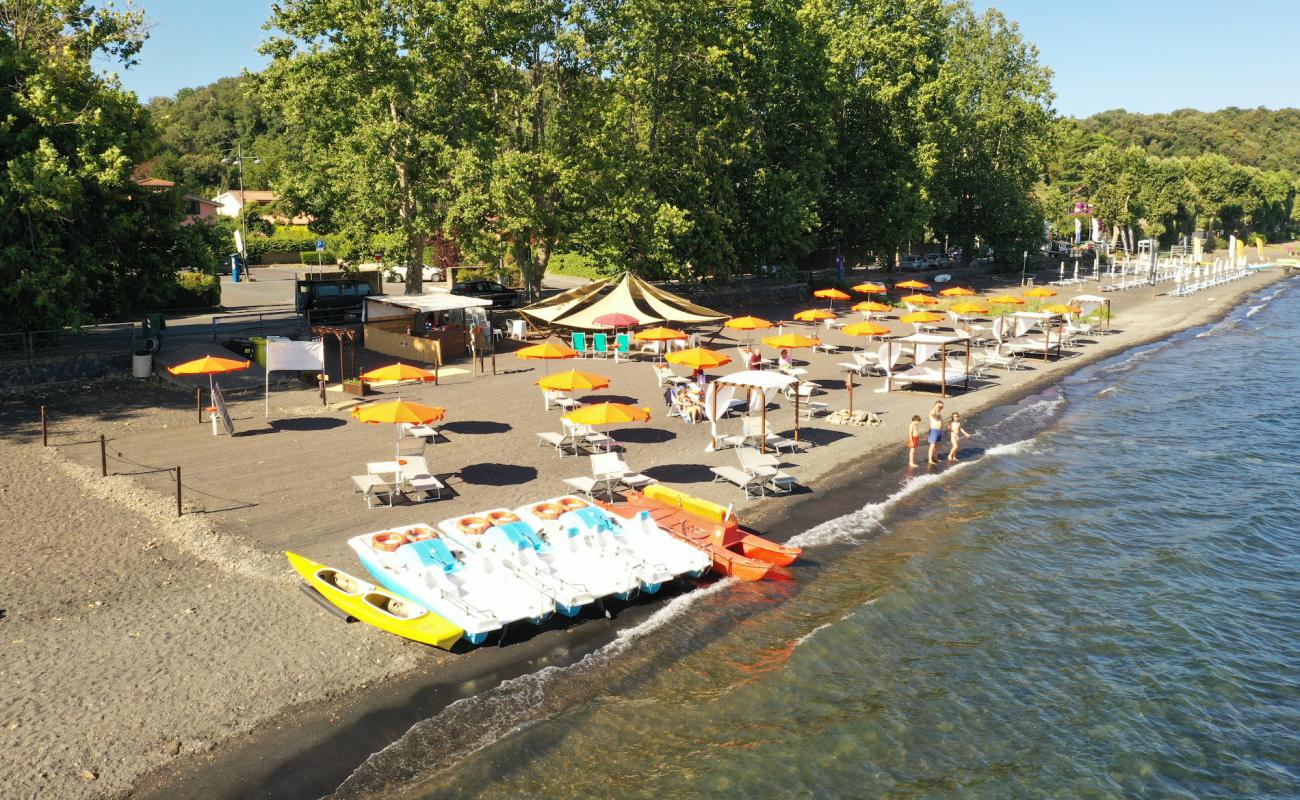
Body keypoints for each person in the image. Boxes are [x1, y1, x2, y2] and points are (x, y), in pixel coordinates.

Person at [926, 400, 944, 465]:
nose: (941, 408)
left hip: (940, 430)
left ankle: (935, 457)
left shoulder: (939, 412)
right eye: (940, 406)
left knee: (937, 445)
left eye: (942, 407)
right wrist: (936, 408)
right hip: (934, 430)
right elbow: (934, 415)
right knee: (932, 445)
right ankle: (930, 460)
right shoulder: (932, 411)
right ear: (936, 405)